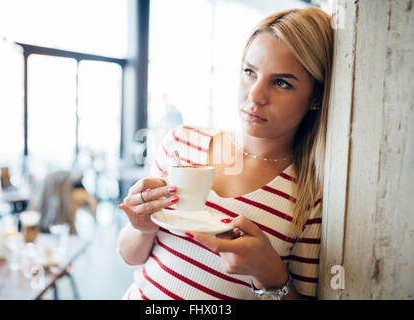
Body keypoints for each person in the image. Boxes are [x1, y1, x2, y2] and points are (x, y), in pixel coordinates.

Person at [117, 7, 333, 300]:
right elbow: (131, 256)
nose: (255, 95)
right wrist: (140, 227)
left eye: (281, 82)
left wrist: (270, 275)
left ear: (315, 98)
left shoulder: (309, 200)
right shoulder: (180, 143)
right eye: (249, 72)